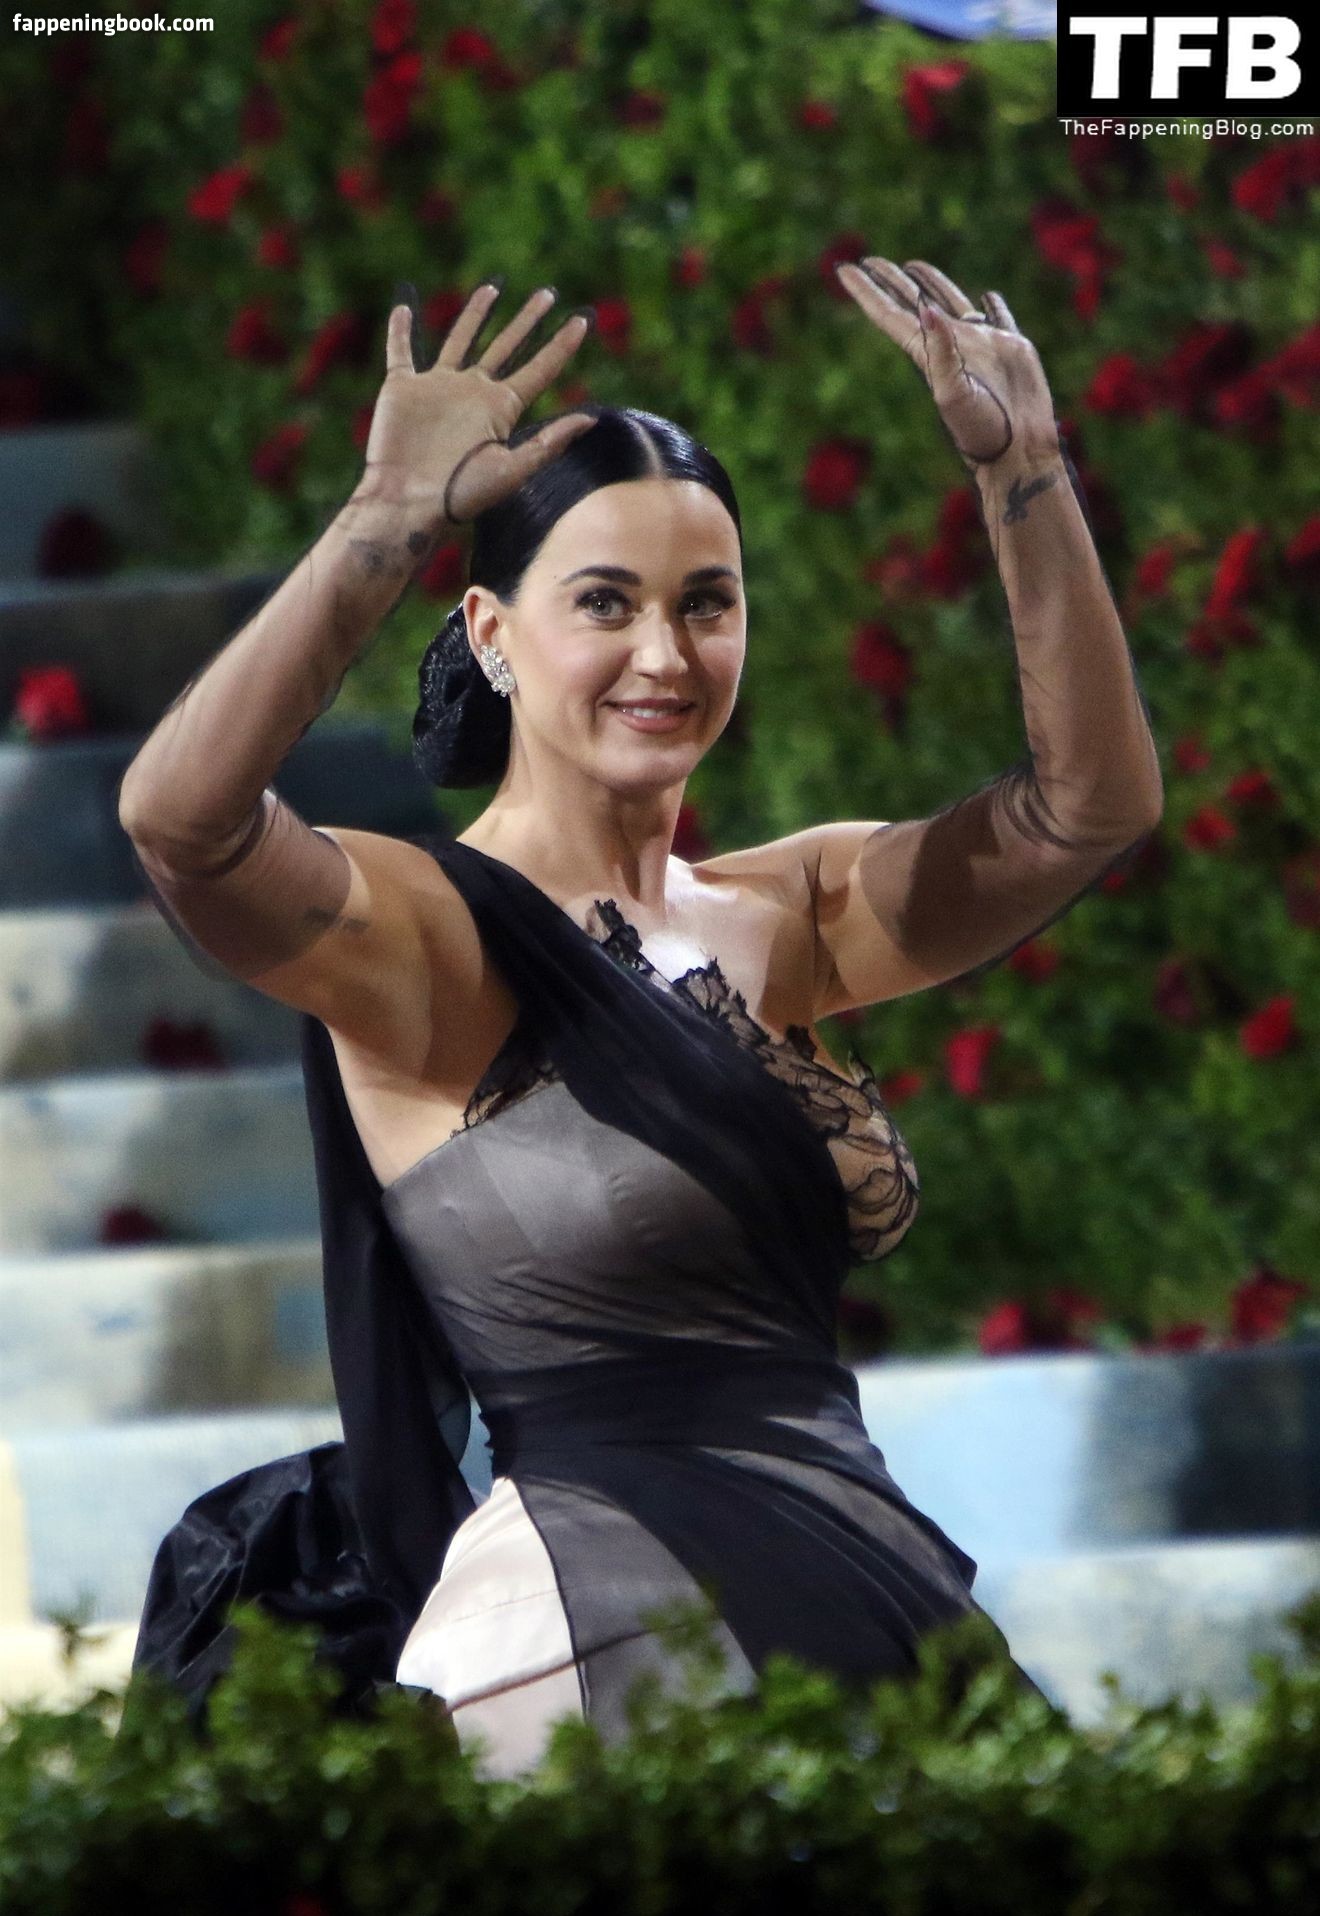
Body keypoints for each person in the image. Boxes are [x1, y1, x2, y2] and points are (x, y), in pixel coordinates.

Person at [119, 265, 1163, 1776]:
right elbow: (181, 825)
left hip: (867, 1573)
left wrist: (1026, 476)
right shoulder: (429, 935)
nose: (665, 656)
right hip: (594, 1609)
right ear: (491, 632)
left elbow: (1087, 810)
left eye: (706, 604)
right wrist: (383, 524)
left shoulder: (794, 913)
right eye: (604, 603)